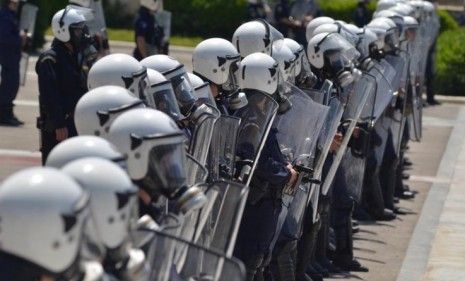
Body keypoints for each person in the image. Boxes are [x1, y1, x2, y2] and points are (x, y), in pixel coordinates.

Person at [233, 53, 298, 281]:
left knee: (259, 259)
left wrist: (283, 165)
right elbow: (254, 158)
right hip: (258, 200)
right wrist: (284, 174)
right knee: (252, 258)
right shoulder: (251, 114)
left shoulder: (257, 110)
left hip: (264, 200)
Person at [36, 7, 92, 164]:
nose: (82, 33)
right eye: (78, 30)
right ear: (63, 31)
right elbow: (49, 95)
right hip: (60, 128)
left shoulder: (76, 55)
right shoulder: (50, 60)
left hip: (75, 123)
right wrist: (59, 124)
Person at [0, 0, 27, 126]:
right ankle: (4, 115)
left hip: (11, 57)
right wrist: (20, 39)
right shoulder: (5, 15)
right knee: (9, 86)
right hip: (8, 57)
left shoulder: (8, 14)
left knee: (11, 85)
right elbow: (4, 37)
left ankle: (8, 113)